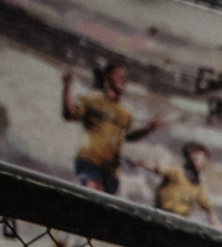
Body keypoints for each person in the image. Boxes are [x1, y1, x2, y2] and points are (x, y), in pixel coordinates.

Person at [59, 61, 161, 195]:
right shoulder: (92, 100)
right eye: (118, 76)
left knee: (105, 201)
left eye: (125, 77)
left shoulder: (126, 113)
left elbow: (128, 137)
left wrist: (149, 129)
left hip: (110, 169)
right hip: (89, 160)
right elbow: (69, 114)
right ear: (107, 77)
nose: (123, 80)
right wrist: (67, 86)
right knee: (93, 192)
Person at [152, 142, 216, 223]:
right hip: (162, 216)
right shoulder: (177, 173)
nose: (203, 163)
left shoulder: (198, 185)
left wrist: (211, 215)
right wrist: (142, 163)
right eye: (201, 159)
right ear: (191, 157)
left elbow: (206, 204)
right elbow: (157, 169)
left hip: (180, 220)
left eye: (205, 160)